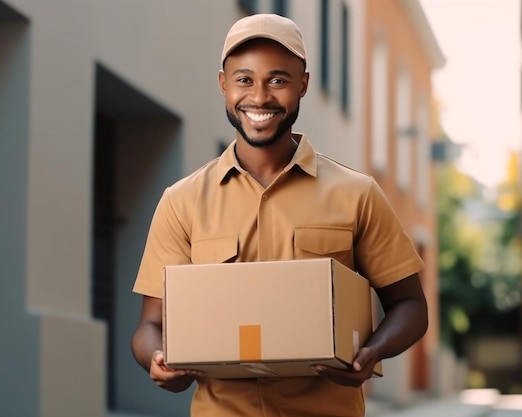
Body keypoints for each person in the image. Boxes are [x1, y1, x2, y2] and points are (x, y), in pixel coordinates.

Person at [131, 13, 428, 417]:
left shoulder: (357, 194)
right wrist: (159, 359)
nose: (260, 97)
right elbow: (150, 325)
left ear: (303, 84)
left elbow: (410, 305)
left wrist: (371, 352)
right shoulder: (182, 201)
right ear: (223, 85)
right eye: (244, 79)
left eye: (278, 80)